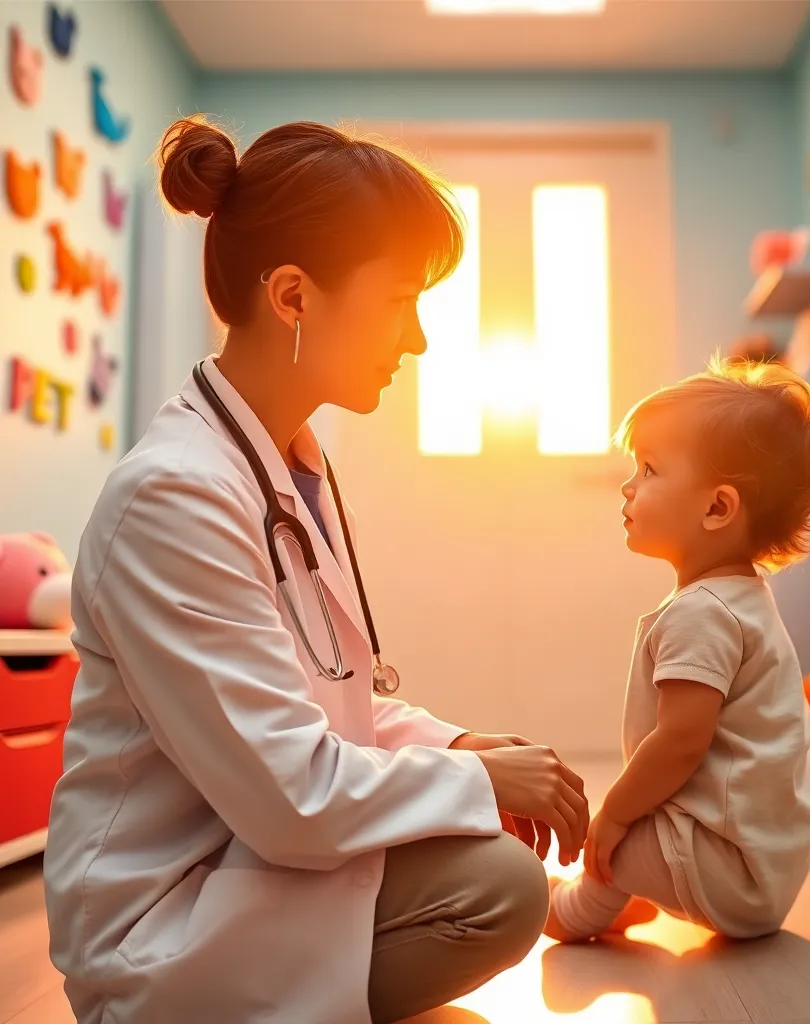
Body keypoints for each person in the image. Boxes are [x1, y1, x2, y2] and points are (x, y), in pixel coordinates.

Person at [43, 116, 590, 1024]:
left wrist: (457, 749)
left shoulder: (284, 464)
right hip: (162, 922)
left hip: (246, 862)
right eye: (399, 301)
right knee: (499, 886)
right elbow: (289, 795)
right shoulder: (173, 495)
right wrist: (483, 786)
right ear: (293, 295)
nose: (415, 341)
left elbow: (324, 694)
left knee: (492, 862)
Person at [544, 357, 810, 943]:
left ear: (716, 508)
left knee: (623, 825)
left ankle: (578, 910)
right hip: (762, 865)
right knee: (642, 808)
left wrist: (614, 815)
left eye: (650, 469)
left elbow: (680, 742)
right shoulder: (742, 601)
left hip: (728, 869)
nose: (629, 485)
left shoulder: (702, 613)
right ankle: (620, 899)